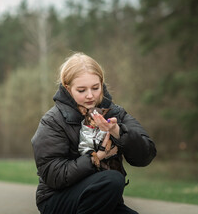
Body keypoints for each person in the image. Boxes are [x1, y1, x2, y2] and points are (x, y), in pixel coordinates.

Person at [31, 52, 157, 214]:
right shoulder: (52, 121)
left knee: (112, 183)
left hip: (101, 199)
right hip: (57, 198)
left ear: (102, 84)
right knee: (112, 179)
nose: (90, 95)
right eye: (82, 90)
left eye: (95, 88)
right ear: (68, 89)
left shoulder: (116, 114)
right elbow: (53, 174)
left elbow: (146, 155)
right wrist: (97, 157)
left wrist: (117, 131)